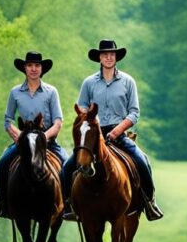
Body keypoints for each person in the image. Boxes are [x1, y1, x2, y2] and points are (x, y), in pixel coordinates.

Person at [61, 40, 163, 221]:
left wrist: (117, 130)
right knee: (68, 166)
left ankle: (150, 203)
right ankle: (67, 206)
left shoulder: (128, 81)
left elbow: (134, 113)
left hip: (119, 134)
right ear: (99, 57)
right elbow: (81, 107)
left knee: (142, 161)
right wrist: (91, 120)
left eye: (112, 54)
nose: (109, 57)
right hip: (93, 134)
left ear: (116, 57)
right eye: (105, 54)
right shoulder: (89, 82)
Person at [0, 51, 67, 217]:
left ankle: (68, 203)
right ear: (24, 68)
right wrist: (19, 137)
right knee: (2, 163)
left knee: (67, 164)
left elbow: (58, 122)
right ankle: (0, 199)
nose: (33, 69)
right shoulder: (15, 92)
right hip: (23, 143)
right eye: (30, 65)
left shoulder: (51, 91)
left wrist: (42, 138)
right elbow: (8, 120)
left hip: (47, 142)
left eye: (37, 65)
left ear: (42, 68)